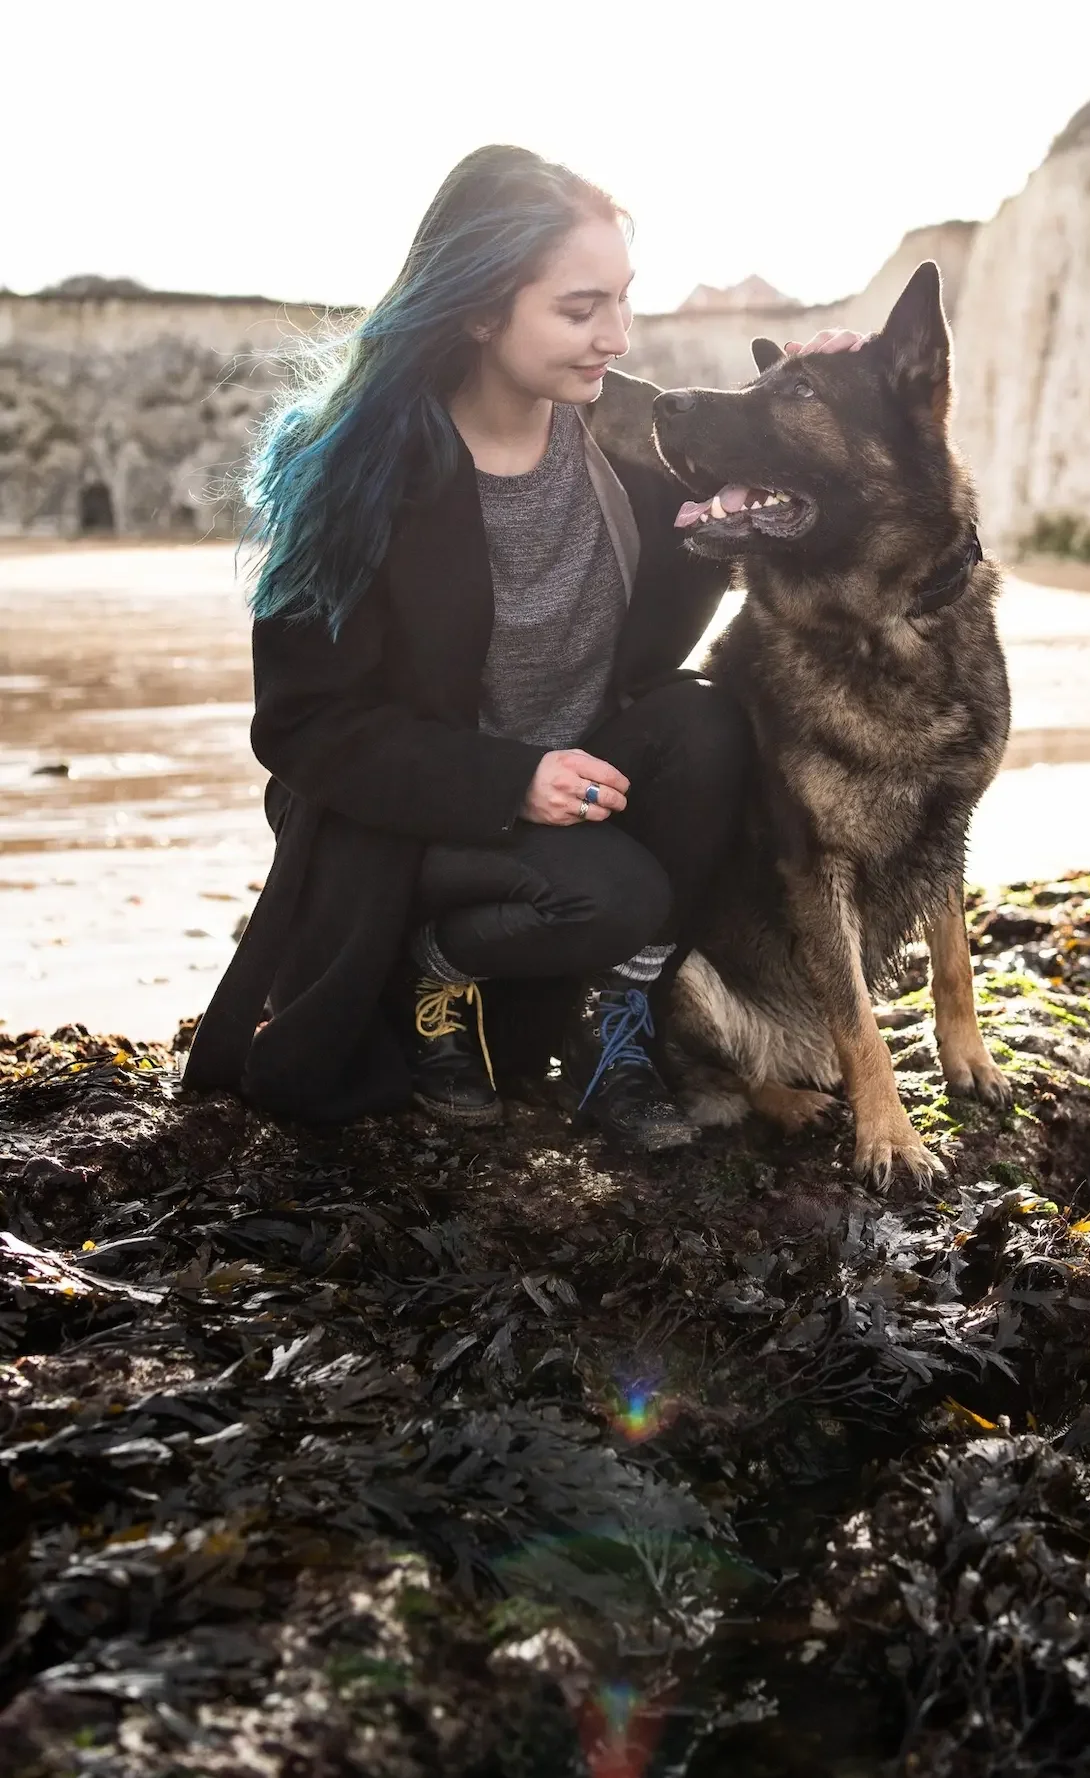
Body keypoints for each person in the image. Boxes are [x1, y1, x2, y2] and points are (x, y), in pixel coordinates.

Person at [183, 145, 863, 1148]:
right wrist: (512, 780)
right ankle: (430, 981)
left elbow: (776, 476)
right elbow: (305, 726)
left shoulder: (626, 429)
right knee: (618, 892)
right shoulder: (357, 470)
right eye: (579, 310)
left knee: (707, 726)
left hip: (581, 773)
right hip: (407, 817)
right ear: (478, 310)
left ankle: (613, 1027)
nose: (614, 337)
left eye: (623, 304)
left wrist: (829, 387)